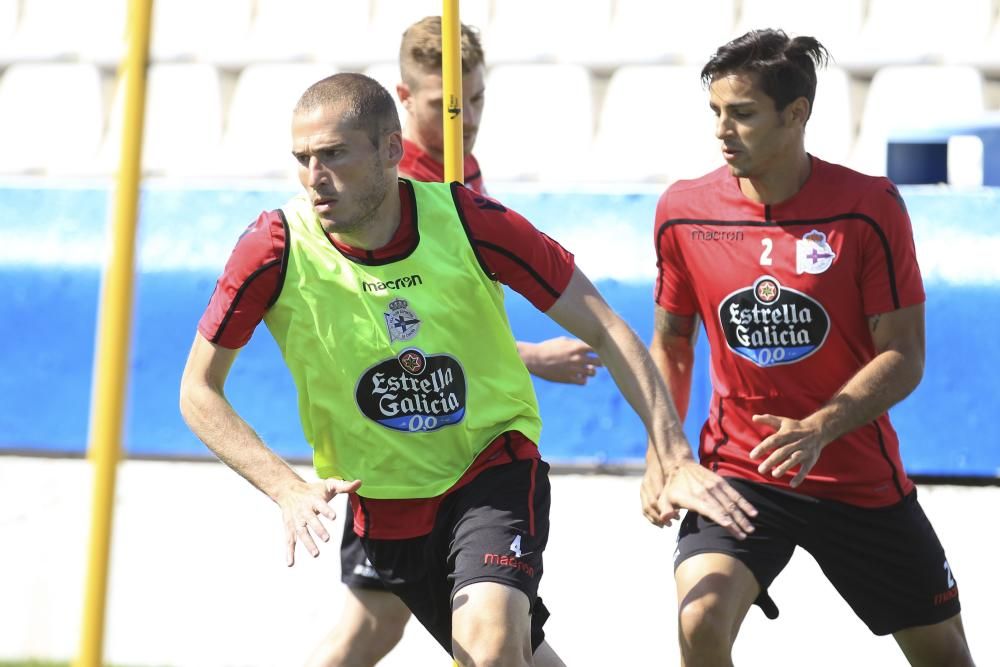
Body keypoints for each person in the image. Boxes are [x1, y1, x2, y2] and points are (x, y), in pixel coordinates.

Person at [179, 72, 752, 666]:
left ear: (391, 150)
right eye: (302, 159)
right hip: (385, 505)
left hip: (491, 471)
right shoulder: (274, 247)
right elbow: (198, 390)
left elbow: (605, 326)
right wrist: (285, 487)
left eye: (334, 155)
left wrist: (672, 453)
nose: (314, 178)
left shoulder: (469, 220)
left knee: (489, 645)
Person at [645, 28, 976, 666]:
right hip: (740, 472)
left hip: (855, 478)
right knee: (700, 621)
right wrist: (666, 455)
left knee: (945, 656)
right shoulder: (682, 211)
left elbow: (904, 354)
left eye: (742, 114)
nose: (722, 130)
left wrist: (821, 426)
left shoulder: (868, 206)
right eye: (715, 112)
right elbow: (672, 345)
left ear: (797, 114)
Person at [305, 17, 602, 667]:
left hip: (457, 446)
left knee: (399, 630)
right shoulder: (392, 190)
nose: (466, 119)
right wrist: (530, 357)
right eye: (448, 105)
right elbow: (389, 337)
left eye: (476, 101)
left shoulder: (461, 170)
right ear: (403, 100)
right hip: (411, 456)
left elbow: (450, 317)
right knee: (412, 633)